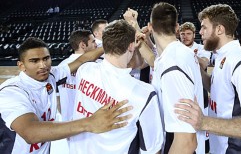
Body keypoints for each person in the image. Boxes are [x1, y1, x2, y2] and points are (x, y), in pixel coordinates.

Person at [0, 37, 132, 154]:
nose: (43, 65)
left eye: (46, 58)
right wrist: (89, 123)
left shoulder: (51, 75)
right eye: (34, 61)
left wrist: (111, 45)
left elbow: (83, 59)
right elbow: (31, 133)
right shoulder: (11, 92)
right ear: (21, 65)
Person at [174, 4, 241, 154]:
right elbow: (217, 89)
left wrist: (204, 122)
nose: (200, 32)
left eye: (204, 27)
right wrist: (196, 68)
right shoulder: (222, 56)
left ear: (220, 29)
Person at [69, 20, 163, 154]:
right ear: (131, 46)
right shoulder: (144, 93)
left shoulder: (84, 70)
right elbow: (153, 149)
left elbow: (130, 66)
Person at [149, 2, 205, 154]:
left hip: (178, 144)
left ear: (150, 27)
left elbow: (187, 142)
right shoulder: (177, 53)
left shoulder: (172, 66)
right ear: (177, 27)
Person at [179, 21, 211, 153]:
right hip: (182, 90)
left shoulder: (201, 48)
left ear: (194, 35)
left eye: (188, 34)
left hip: (200, 91)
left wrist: (189, 54)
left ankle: (204, 148)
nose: (185, 36)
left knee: (201, 124)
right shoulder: (176, 48)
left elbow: (203, 64)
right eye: (182, 34)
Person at [58, 30, 97, 122]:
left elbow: (58, 98)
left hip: (68, 123)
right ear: (83, 45)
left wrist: (66, 115)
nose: (96, 45)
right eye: (93, 41)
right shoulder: (94, 66)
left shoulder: (62, 66)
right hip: (90, 123)